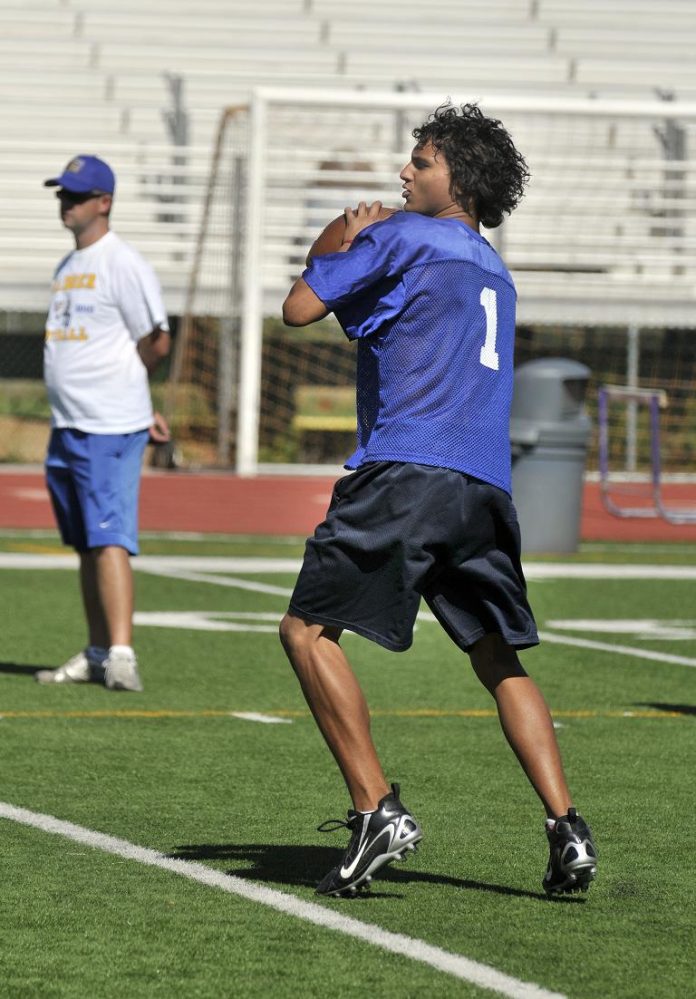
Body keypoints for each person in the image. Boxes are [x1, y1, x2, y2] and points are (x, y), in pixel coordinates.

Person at [279, 104, 597, 898]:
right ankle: (567, 825)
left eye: (420, 162)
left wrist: (339, 230)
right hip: (484, 487)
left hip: (406, 471)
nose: (403, 174)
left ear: (460, 177)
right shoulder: (496, 271)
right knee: (497, 656)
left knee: (306, 631)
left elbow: (300, 306)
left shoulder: (401, 237)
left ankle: (374, 807)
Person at [35, 154, 171, 693]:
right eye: (62, 195)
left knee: (109, 538)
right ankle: (95, 651)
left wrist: (132, 394)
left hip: (108, 425)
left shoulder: (123, 262)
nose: (65, 204)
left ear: (104, 202)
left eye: (75, 195)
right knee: (86, 543)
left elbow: (155, 338)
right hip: (68, 424)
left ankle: (120, 654)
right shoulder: (67, 266)